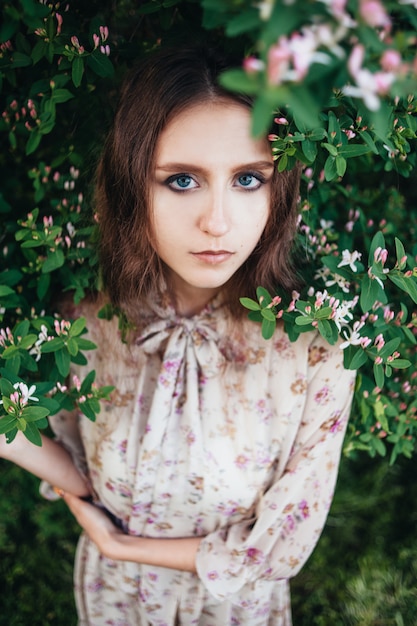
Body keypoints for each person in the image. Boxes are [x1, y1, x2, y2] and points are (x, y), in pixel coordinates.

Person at [0, 44, 356, 625]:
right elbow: (60, 446)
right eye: (183, 180)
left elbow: (280, 544)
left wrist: (125, 546)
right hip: (114, 599)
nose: (217, 221)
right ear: (132, 187)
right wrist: (73, 489)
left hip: (231, 607)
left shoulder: (314, 349)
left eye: (247, 179)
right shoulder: (85, 319)